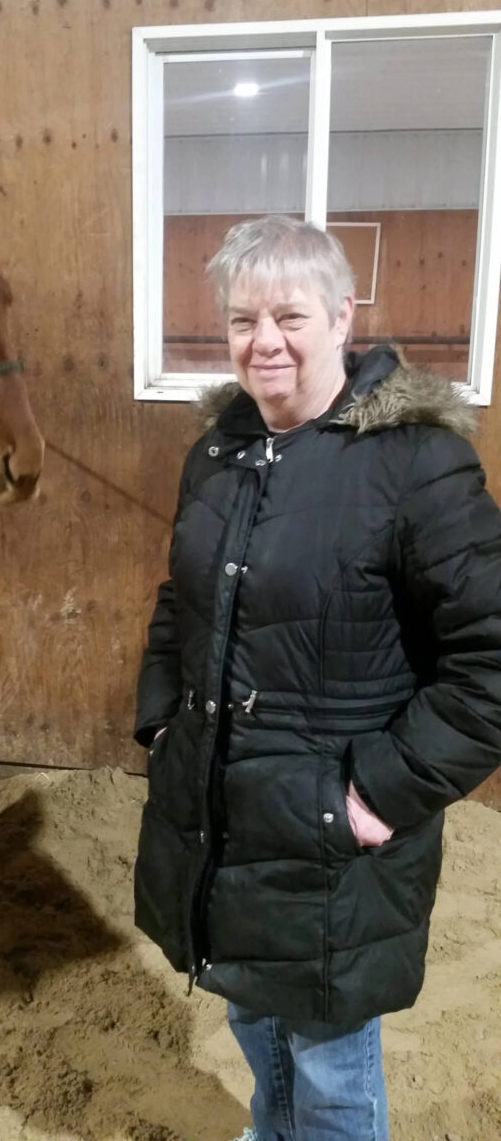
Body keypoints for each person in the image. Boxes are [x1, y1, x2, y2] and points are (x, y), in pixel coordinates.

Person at [132, 215, 501, 1141]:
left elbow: (490, 658)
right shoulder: (218, 452)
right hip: (228, 818)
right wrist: (160, 725)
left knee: (332, 1069)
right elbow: (181, 599)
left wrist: (374, 794)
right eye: (242, 320)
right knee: (255, 1023)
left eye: (288, 316)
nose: (263, 343)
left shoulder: (416, 463)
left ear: (342, 316)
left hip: (335, 840)